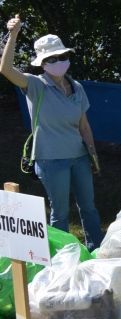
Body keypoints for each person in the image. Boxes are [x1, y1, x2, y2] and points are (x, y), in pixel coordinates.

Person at [1, 15, 104, 248]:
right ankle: (61, 258)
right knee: (60, 212)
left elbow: (84, 125)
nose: (59, 61)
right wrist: (14, 34)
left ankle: (96, 250)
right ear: (43, 62)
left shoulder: (76, 87)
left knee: (88, 206)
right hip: (50, 159)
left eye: (63, 56)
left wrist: (93, 155)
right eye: (53, 58)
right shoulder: (35, 85)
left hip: (79, 156)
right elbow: (6, 69)